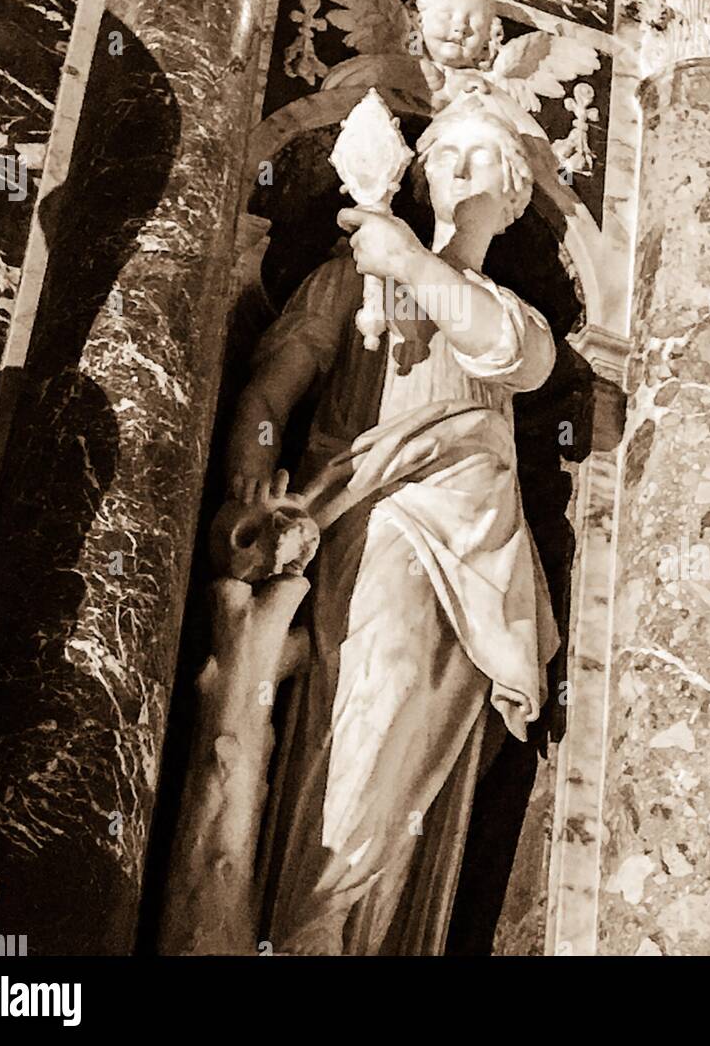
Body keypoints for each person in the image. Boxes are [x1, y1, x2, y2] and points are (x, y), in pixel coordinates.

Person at [225, 93, 559, 954]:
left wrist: (410, 262)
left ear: (515, 193)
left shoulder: (510, 314)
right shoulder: (349, 280)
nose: (455, 168)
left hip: (481, 553)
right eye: (443, 152)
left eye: (480, 157)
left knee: (424, 756)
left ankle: (373, 934)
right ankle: (312, 920)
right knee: (369, 705)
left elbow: (506, 355)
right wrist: (255, 469)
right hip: (378, 521)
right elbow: (270, 390)